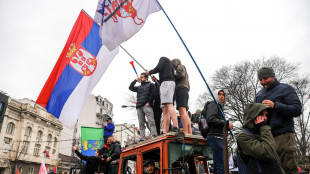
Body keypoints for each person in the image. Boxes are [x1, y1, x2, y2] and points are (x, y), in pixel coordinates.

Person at [256, 67, 302, 174]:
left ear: (273, 76)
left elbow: (297, 110)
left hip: (284, 137)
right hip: (266, 139)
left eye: (265, 78)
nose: (263, 82)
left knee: (289, 170)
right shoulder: (259, 94)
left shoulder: (286, 89)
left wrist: (275, 105)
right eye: (260, 79)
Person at [236, 103, 284, 174]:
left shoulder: (262, 133)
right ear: (253, 116)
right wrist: (264, 127)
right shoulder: (243, 137)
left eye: (266, 115)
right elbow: (268, 152)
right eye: (261, 115)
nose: (265, 118)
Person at [146, 57, 179, 133]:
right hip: (165, 83)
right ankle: (165, 130)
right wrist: (156, 80)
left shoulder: (163, 58)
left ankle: (175, 126)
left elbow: (158, 67)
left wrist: (149, 72)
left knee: (169, 104)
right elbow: (162, 77)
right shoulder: (167, 71)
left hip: (166, 83)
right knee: (164, 108)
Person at [206, 89, 233, 174]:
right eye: (219, 94)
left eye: (223, 95)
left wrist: (227, 127)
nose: (222, 96)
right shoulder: (213, 104)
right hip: (215, 137)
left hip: (219, 137)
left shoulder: (219, 107)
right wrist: (225, 123)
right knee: (221, 165)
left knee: (219, 165)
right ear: (215, 95)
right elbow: (211, 119)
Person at [129, 73, 158, 141]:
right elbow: (130, 87)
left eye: (142, 77)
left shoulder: (151, 85)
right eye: (140, 77)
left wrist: (149, 102)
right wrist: (135, 80)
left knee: (151, 121)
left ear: (146, 78)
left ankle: (154, 134)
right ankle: (142, 138)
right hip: (139, 106)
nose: (140, 78)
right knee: (141, 123)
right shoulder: (139, 87)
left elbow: (154, 94)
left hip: (146, 105)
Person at [171, 59, 192, 134]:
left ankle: (185, 132)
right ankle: (189, 132)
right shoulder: (185, 70)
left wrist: (171, 76)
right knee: (185, 112)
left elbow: (180, 76)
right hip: (185, 90)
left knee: (182, 111)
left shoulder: (180, 67)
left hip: (180, 89)